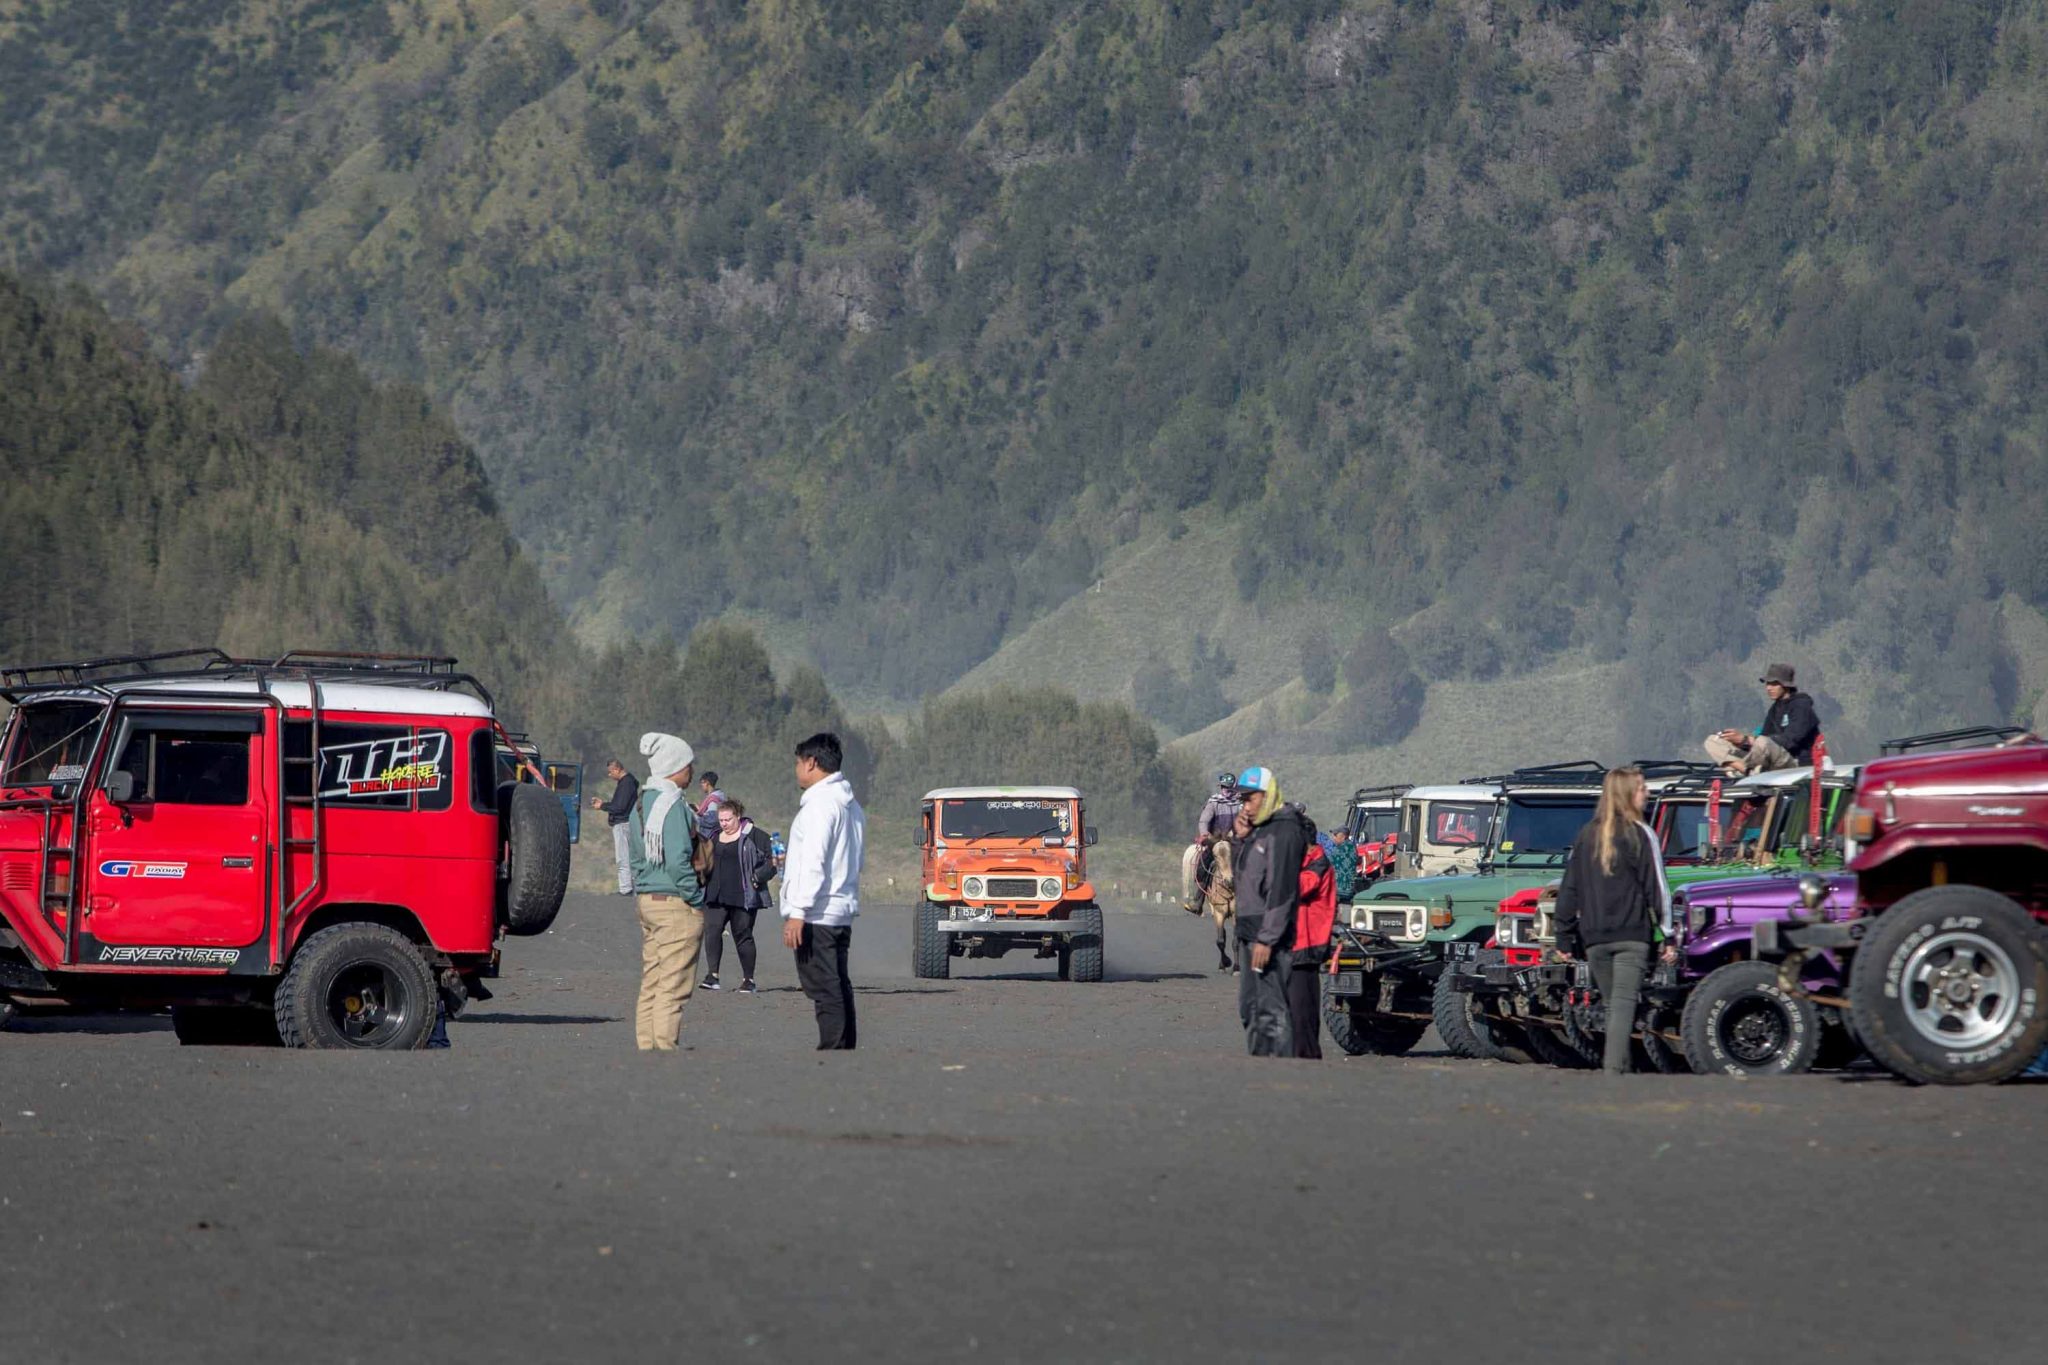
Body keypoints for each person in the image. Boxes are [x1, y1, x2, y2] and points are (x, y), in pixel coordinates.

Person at [1552, 767, 1674, 1075]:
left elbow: (1568, 889)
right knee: (1622, 1005)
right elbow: (1657, 889)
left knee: (1613, 1005)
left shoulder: (1586, 834)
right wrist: (1668, 935)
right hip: (1631, 936)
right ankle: (1615, 1072)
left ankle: (1623, 1067)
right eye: (1642, 788)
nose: (1647, 793)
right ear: (1628, 794)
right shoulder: (1641, 833)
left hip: (1594, 939)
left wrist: (1563, 936)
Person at [779, 733, 866, 1051]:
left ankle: (833, 1049)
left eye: (798, 762)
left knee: (823, 986)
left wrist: (798, 911)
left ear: (811, 763)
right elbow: (858, 860)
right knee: (837, 982)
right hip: (840, 907)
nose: (796, 769)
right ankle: (843, 1047)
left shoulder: (820, 805)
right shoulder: (851, 805)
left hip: (819, 911)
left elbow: (813, 861)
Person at [628, 732, 706, 1053]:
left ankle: (647, 1048)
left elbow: (635, 859)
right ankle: (665, 1049)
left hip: (647, 900)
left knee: (653, 981)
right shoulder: (672, 805)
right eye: (689, 765)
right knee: (673, 985)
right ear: (677, 767)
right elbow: (677, 860)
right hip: (675, 903)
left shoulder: (640, 804)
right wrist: (696, 898)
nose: (692, 771)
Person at [1229, 765, 1311, 1058]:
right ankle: (1259, 1067)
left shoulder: (1284, 830)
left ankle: (1280, 1070)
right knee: (1250, 1008)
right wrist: (1240, 840)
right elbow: (1244, 878)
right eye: (1242, 800)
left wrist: (1267, 938)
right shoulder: (1260, 830)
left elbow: (1282, 889)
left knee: (1272, 1010)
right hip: (1249, 932)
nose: (1245, 806)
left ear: (1267, 795)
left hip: (1269, 937)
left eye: (1249, 798)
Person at [700, 798, 775, 995]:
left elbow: (775, 857)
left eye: (728, 820)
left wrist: (759, 876)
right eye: (721, 820)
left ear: (738, 816)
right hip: (715, 894)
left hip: (743, 895)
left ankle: (748, 980)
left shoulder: (754, 835)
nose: (724, 824)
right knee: (712, 930)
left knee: (742, 934)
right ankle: (712, 976)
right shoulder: (714, 836)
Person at [1705, 663, 1820, 776]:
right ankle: (1745, 770)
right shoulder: (1775, 709)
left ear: (1786, 686)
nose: (1769, 688)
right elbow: (1765, 737)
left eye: (1774, 684)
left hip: (1794, 762)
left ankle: (1744, 770)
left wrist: (1746, 740)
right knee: (1713, 740)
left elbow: (1790, 741)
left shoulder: (1801, 706)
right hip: (1769, 758)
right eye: (1767, 684)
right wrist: (1739, 742)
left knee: (1762, 741)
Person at [1287, 821, 1339, 1061]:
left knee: (1302, 1002)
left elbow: (1297, 888)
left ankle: (1304, 1051)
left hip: (1307, 941)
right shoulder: (1310, 861)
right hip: (1300, 939)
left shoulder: (1317, 863)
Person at [1181, 772, 1243, 913]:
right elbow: (1204, 820)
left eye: (1228, 787)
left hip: (1235, 840)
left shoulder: (1240, 804)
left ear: (1234, 788)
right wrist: (1204, 833)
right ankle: (1198, 901)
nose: (1226, 790)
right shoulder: (1214, 802)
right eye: (1223, 787)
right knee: (1204, 863)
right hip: (1216, 840)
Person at [590, 759, 640, 896]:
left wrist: (602, 806)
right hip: (625, 823)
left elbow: (619, 807)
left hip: (623, 824)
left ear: (617, 769)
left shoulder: (626, 784)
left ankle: (626, 888)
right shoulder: (627, 783)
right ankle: (631, 887)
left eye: (610, 772)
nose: (609, 775)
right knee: (628, 856)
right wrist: (604, 804)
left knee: (623, 857)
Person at [696, 771, 728, 844]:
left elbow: (711, 820)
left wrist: (695, 817)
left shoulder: (713, 800)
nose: (701, 785)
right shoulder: (717, 797)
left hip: (710, 838)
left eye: (702, 782)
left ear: (707, 783)